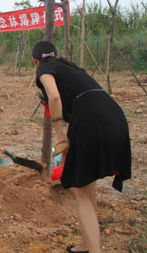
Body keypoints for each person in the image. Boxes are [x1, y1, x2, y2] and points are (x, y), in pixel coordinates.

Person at [32, 40, 131, 253]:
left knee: (81, 193)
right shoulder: (72, 70)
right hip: (116, 118)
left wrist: (59, 135)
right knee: (87, 185)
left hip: (91, 122)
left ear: (35, 61)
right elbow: (82, 104)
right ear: (56, 54)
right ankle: (85, 245)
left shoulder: (45, 69)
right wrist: (68, 140)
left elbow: (55, 96)